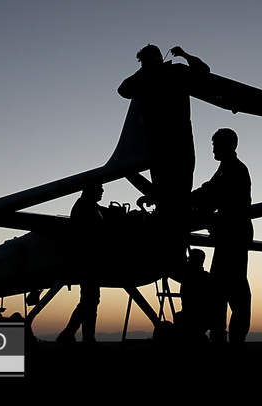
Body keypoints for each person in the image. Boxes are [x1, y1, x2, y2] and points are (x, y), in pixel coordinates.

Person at [118, 44, 210, 275]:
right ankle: (171, 254)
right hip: (162, 149)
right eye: (146, 61)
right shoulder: (145, 79)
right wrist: (145, 71)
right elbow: (123, 89)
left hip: (178, 147)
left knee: (176, 201)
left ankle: (175, 256)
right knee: (167, 201)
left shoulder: (175, 72)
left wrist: (185, 55)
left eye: (151, 59)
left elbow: (203, 71)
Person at [191, 128, 253, 344]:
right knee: (223, 289)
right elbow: (209, 191)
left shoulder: (233, 170)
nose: (213, 149)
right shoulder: (225, 169)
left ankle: (230, 339)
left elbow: (212, 194)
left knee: (231, 289)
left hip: (233, 237)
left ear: (228, 145)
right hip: (229, 236)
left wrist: (185, 203)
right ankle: (223, 336)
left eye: (215, 145)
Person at [56, 183, 106, 344]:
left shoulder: (89, 206)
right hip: (87, 261)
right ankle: (70, 333)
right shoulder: (84, 208)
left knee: (91, 301)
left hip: (89, 261)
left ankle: (85, 336)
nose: (102, 191)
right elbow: (90, 233)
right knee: (90, 300)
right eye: (99, 189)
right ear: (91, 191)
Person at [177, 249, 215, 343]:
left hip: (191, 318)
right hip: (204, 318)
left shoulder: (188, 277)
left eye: (189, 259)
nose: (188, 261)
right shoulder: (207, 277)